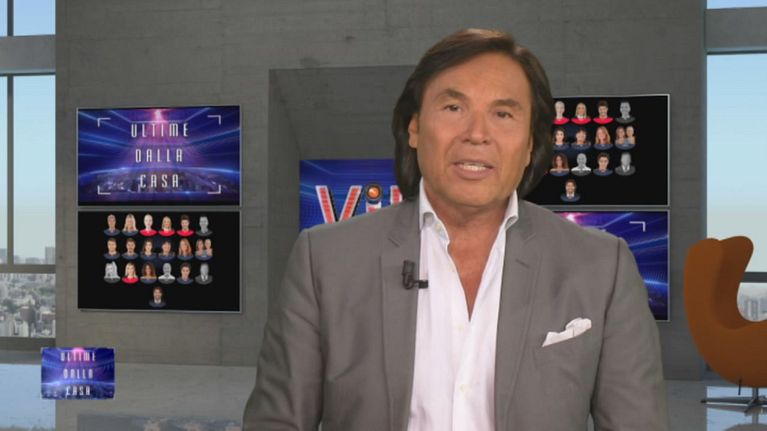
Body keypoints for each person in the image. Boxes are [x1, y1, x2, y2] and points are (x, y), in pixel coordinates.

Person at [245, 29, 667, 430]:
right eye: (453, 108)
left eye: (502, 114)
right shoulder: (324, 260)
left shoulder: (602, 267)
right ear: (414, 127)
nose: (477, 134)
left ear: (530, 145)